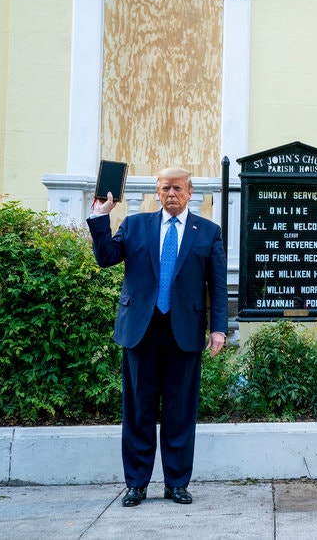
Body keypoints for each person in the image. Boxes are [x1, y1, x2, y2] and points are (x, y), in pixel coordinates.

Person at [87, 166, 227, 507]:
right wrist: (100, 218)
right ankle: (136, 484)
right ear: (157, 191)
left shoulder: (207, 232)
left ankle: (176, 483)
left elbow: (218, 286)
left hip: (185, 333)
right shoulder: (135, 225)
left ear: (190, 192)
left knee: (180, 412)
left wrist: (219, 328)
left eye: (178, 188)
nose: (171, 194)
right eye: (165, 188)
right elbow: (106, 258)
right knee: (138, 411)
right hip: (141, 332)